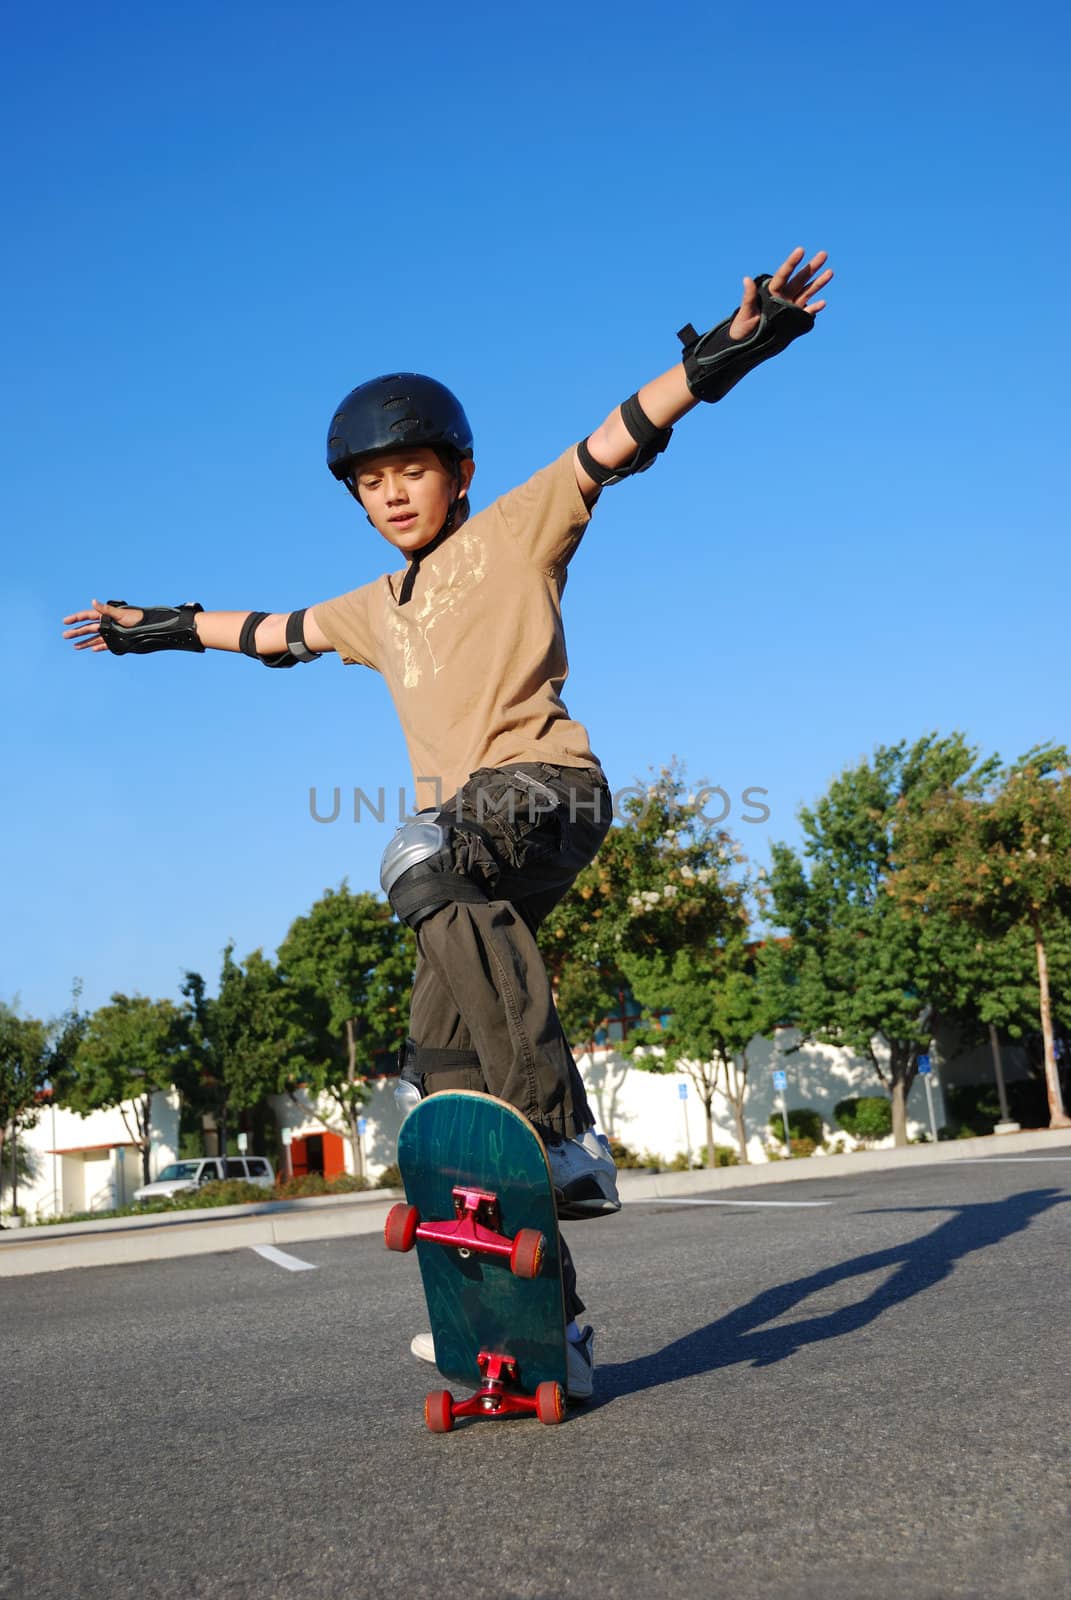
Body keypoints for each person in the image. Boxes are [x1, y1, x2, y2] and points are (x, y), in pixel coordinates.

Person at [63, 245, 833, 1398]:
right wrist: (154, 627)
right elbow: (270, 632)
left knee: (418, 850)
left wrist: (735, 346)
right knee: (446, 1073)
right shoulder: (374, 606)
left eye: (410, 472)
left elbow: (617, 438)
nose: (392, 496)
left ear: (457, 473)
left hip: (546, 788)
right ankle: (542, 1324)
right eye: (371, 485)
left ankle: (567, 1132)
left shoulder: (514, 528)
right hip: (473, 846)